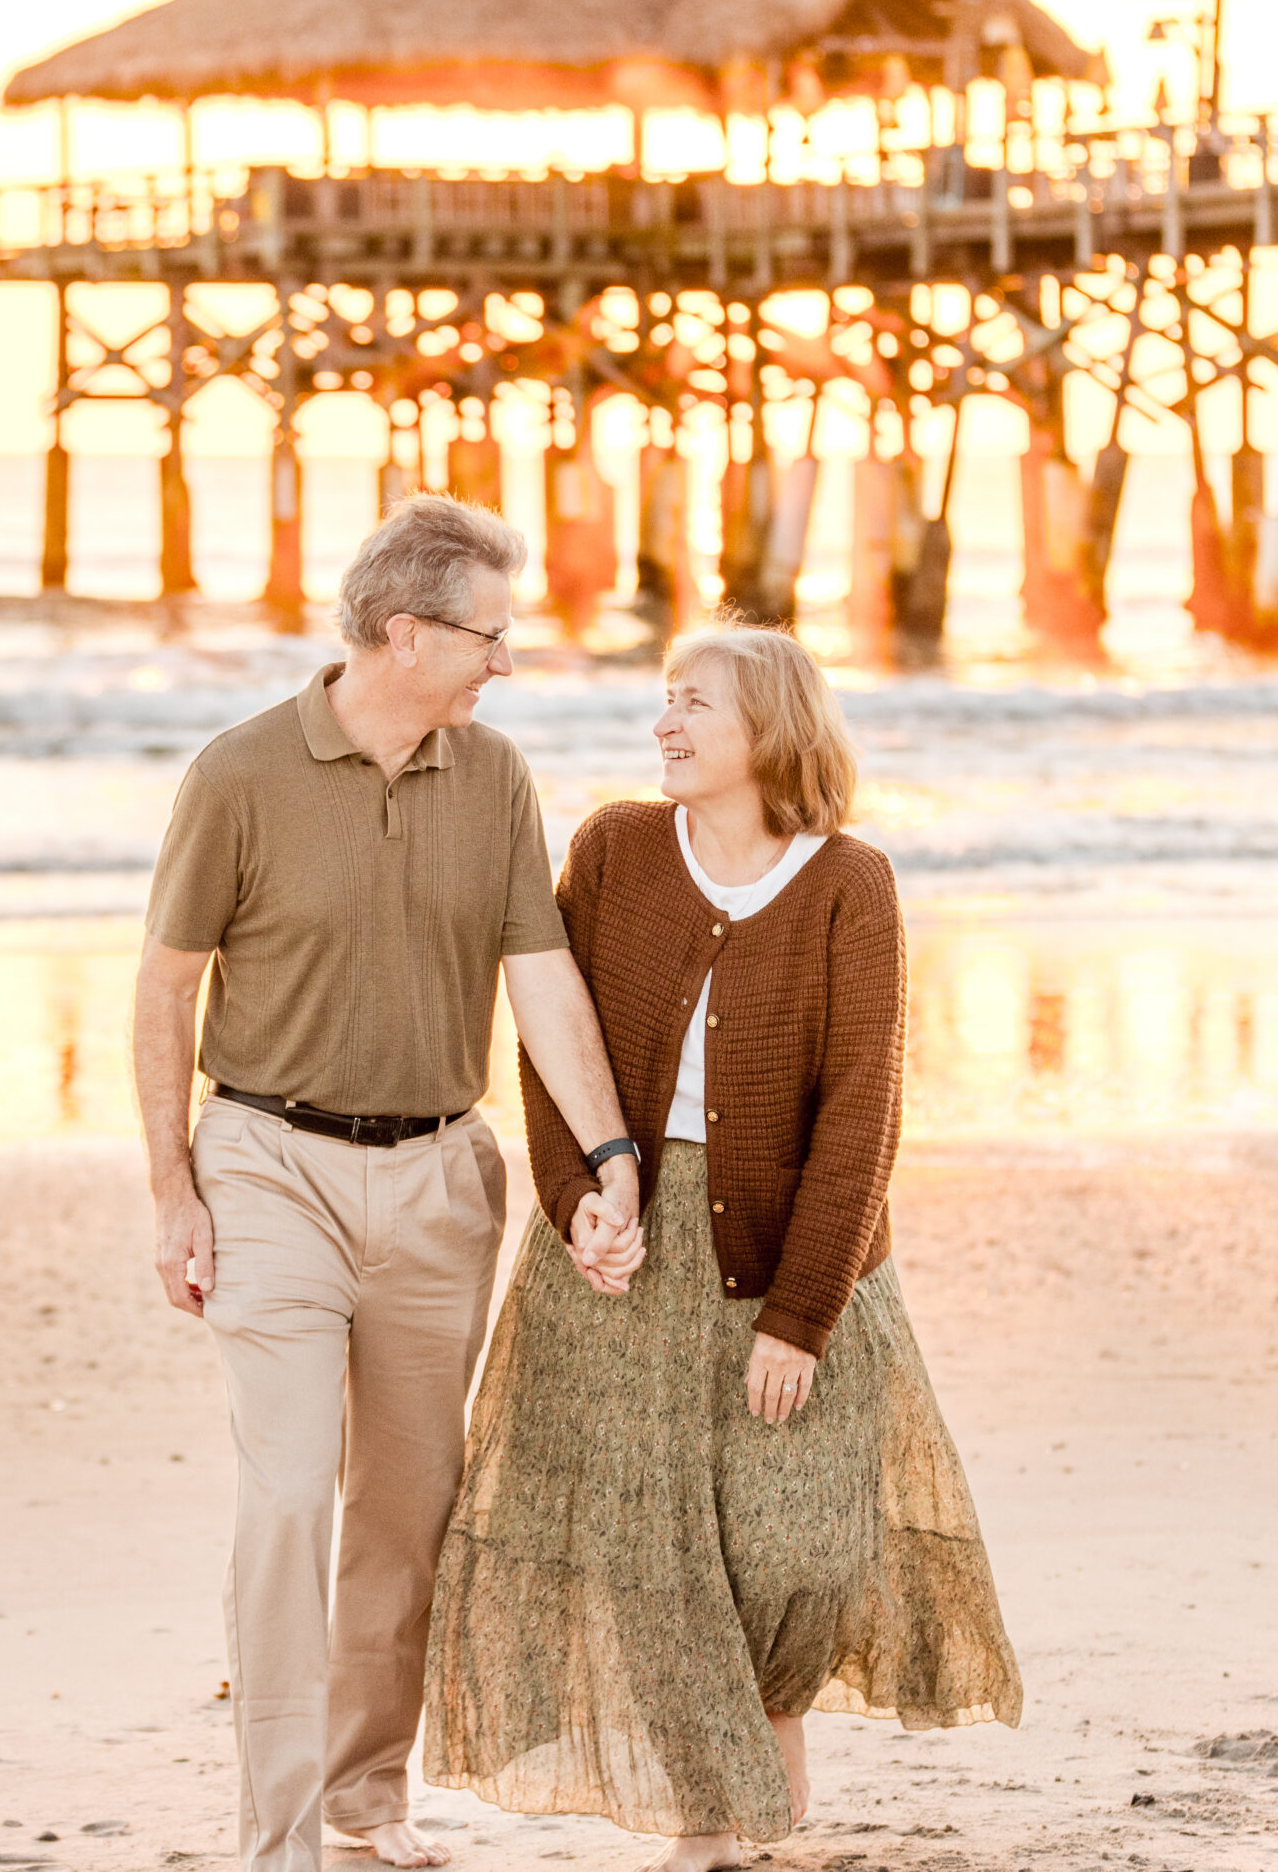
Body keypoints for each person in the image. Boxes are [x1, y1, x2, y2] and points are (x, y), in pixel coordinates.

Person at [424, 621, 1024, 1871]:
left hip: (793, 1251)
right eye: (663, 701)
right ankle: (713, 1821)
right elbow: (554, 1037)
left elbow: (864, 1108)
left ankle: (763, 1744)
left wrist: (800, 1315)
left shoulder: (850, 883)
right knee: (646, 1547)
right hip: (621, 1250)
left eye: (693, 704)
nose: (665, 724)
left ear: (771, 728)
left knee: (792, 1541)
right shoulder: (617, 849)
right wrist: (574, 1193)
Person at [131, 495, 644, 1872]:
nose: (507, 662)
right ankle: (280, 1832)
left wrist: (609, 1156)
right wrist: (174, 1188)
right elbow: (167, 989)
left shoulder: (492, 776)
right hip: (268, 1166)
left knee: (406, 1510)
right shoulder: (238, 776)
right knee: (292, 1492)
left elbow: (541, 984)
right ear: (406, 632)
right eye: (490, 635)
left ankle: (366, 1796)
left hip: (437, 1179)